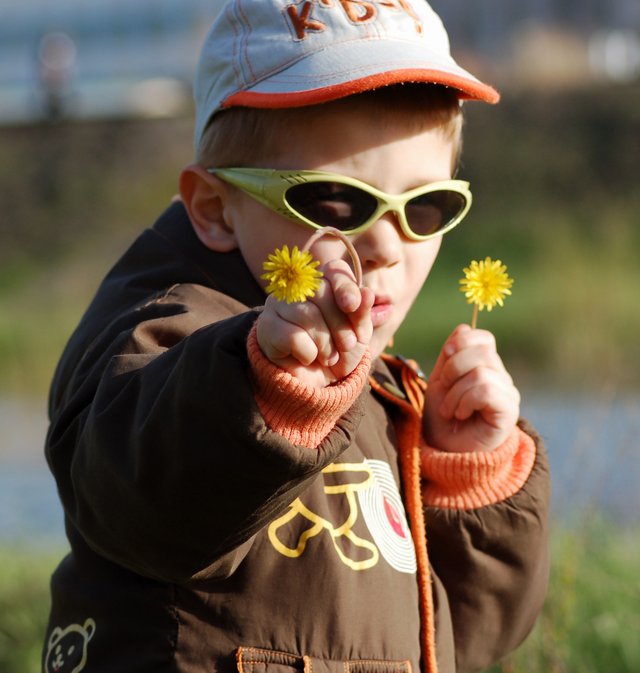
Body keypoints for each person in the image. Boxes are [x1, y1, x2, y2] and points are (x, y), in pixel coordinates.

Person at [42, 2, 550, 673]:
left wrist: (461, 478)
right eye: (336, 202)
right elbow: (142, 502)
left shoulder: (382, 386)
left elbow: (469, 639)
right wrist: (260, 395)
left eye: (426, 206)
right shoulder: (165, 336)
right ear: (215, 208)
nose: (386, 244)